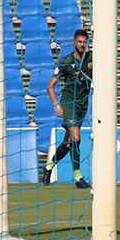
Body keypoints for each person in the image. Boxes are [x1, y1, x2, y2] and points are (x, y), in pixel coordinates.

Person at [41, 29, 92, 189]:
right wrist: (56, 104)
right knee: (76, 137)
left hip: (82, 105)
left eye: (84, 42)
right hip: (69, 103)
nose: (82, 44)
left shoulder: (92, 60)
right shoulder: (65, 61)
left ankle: (48, 167)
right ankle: (78, 177)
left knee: (69, 142)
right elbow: (50, 86)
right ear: (74, 42)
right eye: (79, 41)